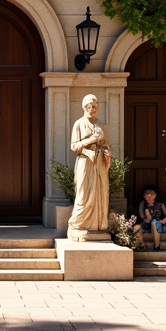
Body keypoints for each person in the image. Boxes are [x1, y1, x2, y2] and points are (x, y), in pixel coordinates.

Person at [68, 93, 110, 236]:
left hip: (99, 163)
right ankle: (79, 224)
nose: (93, 109)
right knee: (83, 194)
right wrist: (90, 140)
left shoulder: (101, 125)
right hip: (85, 161)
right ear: (84, 107)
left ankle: (97, 225)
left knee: (99, 191)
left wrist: (106, 152)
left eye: (95, 107)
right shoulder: (78, 124)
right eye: (90, 107)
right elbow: (74, 146)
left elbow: (105, 145)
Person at [132, 185, 166, 251]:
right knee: (136, 228)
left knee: (154, 222)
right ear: (144, 196)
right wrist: (147, 206)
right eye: (147, 194)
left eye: (151, 194)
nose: (149, 196)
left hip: (157, 223)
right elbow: (147, 218)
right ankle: (141, 245)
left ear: (155, 195)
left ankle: (157, 245)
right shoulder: (143, 204)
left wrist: (164, 220)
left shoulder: (160, 204)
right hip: (146, 222)